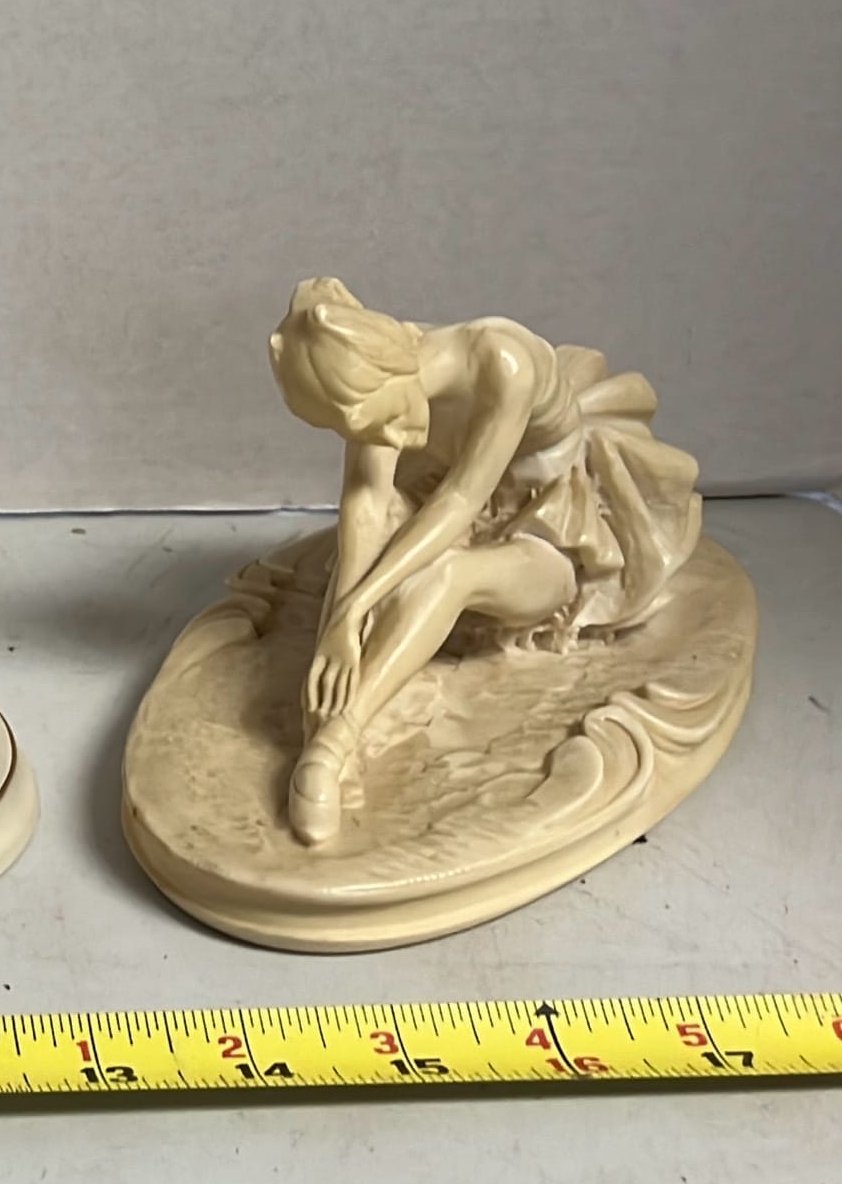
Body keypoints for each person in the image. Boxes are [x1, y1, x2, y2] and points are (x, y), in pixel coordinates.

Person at [268, 277, 704, 843]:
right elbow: (367, 506)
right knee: (367, 577)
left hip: (543, 534)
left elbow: (459, 502)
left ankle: (336, 741)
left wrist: (358, 605)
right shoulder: (377, 385)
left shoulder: (502, 363)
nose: (386, 437)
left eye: (375, 423)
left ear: (387, 381)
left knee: (446, 575)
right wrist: (341, 626)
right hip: (442, 513)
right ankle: (319, 738)